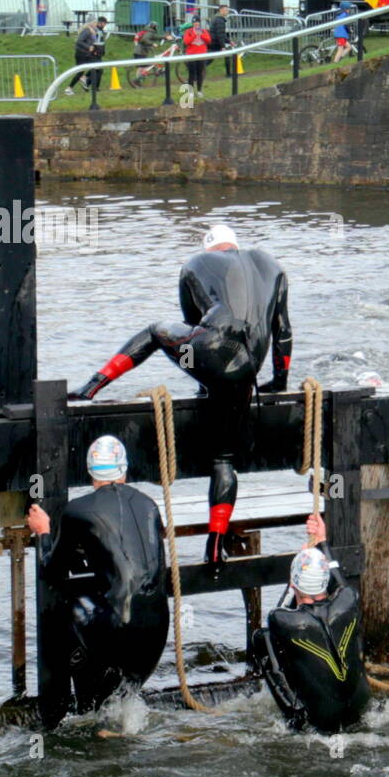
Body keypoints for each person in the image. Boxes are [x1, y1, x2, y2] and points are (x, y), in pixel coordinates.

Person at [68, 224, 293, 567]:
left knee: (156, 331)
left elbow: (194, 323)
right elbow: (283, 332)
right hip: (247, 370)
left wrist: (201, 371)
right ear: (234, 244)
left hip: (212, 352)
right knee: (224, 460)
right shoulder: (272, 266)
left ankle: (91, 386)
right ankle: (216, 546)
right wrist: (279, 381)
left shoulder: (195, 264)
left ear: (209, 247)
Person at [25, 436, 169, 727]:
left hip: (117, 632)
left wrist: (43, 532)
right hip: (158, 632)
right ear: (124, 470)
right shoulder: (149, 504)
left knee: (71, 609)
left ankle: (68, 708)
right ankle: (108, 713)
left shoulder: (77, 511)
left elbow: (52, 571)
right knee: (106, 614)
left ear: (90, 473)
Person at [249, 512, 371, 733]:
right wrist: (322, 541)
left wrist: (292, 583)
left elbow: (279, 615)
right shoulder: (349, 599)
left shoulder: (284, 620)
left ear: (293, 583)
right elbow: (338, 577)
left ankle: (294, 718)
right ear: (324, 580)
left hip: (320, 722)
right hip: (360, 711)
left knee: (261, 637)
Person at [66, 15, 107, 95]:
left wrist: (95, 49)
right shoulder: (87, 31)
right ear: (91, 23)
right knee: (81, 72)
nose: (96, 23)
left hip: (87, 54)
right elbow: (79, 41)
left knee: (97, 67)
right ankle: (69, 88)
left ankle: (84, 80)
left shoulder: (92, 31)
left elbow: (91, 41)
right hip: (81, 54)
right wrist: (89, 47)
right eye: (95, 22)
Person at [182, 16, 211, 94]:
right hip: (191, 55)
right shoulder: (189, 31)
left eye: (197, 22)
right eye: (194, 23)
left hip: (201, 54)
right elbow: (186, 42)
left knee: (200, 73)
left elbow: (208, 40)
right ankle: (191, 91)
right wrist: (194, 35)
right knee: (191, 73)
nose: (196, 24)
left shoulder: (204, 31)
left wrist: (201, 35)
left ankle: (199, 90)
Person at [209, 4, 233, 76]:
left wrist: (229, 41)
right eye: (226, 10)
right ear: (221, 10)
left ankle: (198, 71)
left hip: (213, 41)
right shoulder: (220, 20)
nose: (227, 11)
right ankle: (228, 74)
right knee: (227, 54)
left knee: (209, 58)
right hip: (215, 42)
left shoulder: (216, 18)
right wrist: (223, 46)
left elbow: (221, 34)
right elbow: (220, 34)